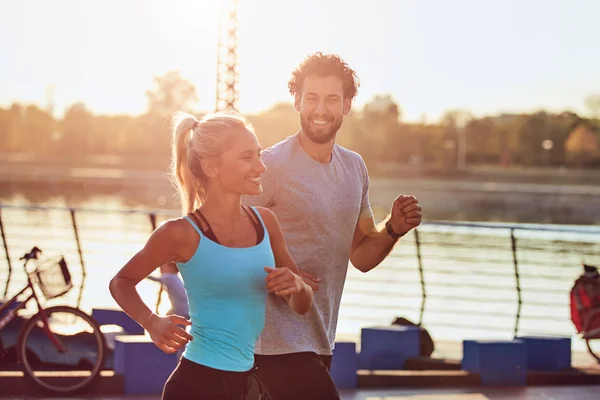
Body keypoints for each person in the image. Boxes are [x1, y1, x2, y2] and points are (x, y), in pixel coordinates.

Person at [242, 52, 422, 400]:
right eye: (311, 98)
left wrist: (393, 230)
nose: (320, 109)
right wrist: (282, 272)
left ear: (347, 105)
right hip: (269, 344)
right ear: (296, 101)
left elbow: (362, 257)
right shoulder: (271, 166)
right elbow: (223, 243)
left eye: (331, 99)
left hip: (320, 338)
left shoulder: (354, 168)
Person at [109, 111, 313, 400]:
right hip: (196, 385)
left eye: (258, 155)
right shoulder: (181, 233)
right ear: (212, 167)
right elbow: (121, 281)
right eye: (246, 157)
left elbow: (302, 306)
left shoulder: (266, 223)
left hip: (247, 385)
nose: (260, 167)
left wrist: (297, 286)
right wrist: (152, 322)